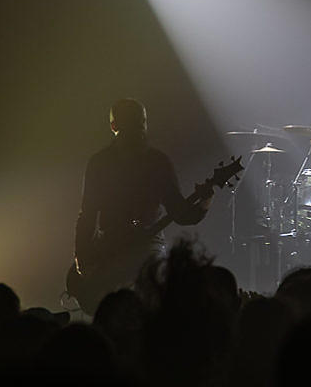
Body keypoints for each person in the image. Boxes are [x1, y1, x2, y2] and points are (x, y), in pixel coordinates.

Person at [72, 99, 213, 308]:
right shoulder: (152, 161)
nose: (139, 128)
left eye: (140, 122)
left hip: (129, 248)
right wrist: (83, 256)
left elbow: (88, 214)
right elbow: (182, 214)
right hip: (126, 249)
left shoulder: (104, 162)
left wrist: (82, 256)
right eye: (136, 122)